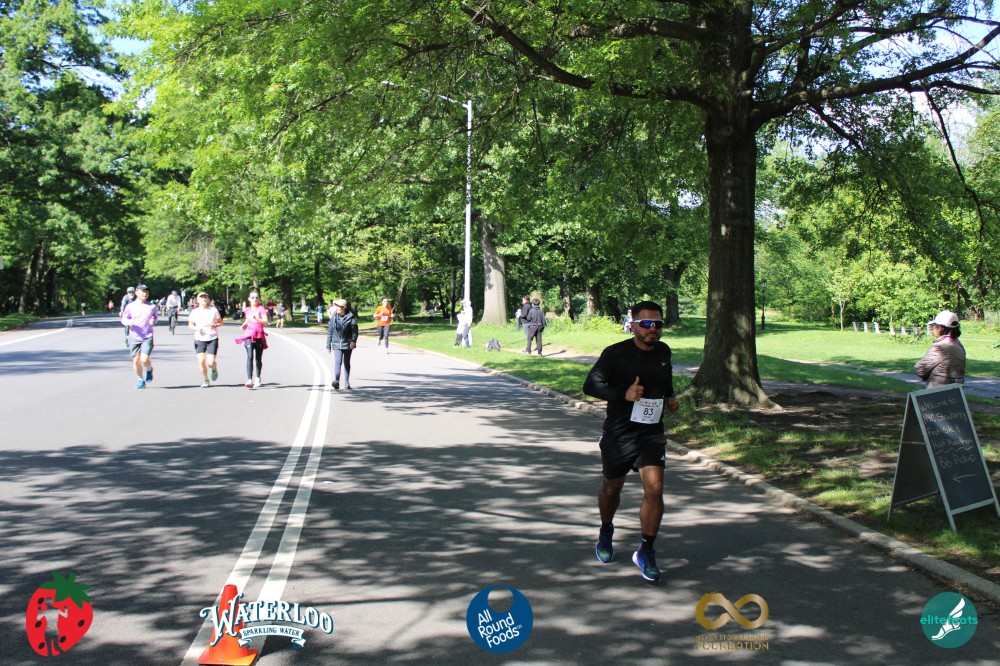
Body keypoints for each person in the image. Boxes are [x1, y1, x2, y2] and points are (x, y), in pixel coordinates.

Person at [582, 300, 680, 582]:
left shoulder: (663, 351)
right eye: (646, 324)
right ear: (633, 325)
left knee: (655, 488)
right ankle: (606, 530)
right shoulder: (616, 354)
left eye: (657, 324)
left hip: (651, 433)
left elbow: (665, 381)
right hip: (619, 432)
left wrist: (670, 398)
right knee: (612, 487)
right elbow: (591, 385)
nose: (653, 329)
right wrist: (622, 394)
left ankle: (646, 550)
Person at [915, 310, 966, 388]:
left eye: (935, 325)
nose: (934, 328)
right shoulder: (959, 345)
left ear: (941, 328)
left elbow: (921, 368)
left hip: (939, 390)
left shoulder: (940, 346)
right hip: (956, 390)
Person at [121, 285, 158, 389]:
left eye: (147, 292)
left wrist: (153, 321)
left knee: (144, 359)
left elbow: (155, 317)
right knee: (136, 360)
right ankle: (140, 379)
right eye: (143, 291)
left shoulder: (152, 306)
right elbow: (124, 318)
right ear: (136, 293)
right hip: (134, 336)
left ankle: (149, 369)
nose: (145, 294)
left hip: (147, 336)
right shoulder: (130, 306)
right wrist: (128, 322)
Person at [188, 291, 223, 388]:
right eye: (201, 297)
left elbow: (220, 322)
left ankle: (214, 369)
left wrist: (214, 324)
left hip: (212, 338)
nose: (204, 299)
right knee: (201, 361)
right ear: (198, 300)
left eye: (205, 297)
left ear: (208, 299)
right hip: (199, 339)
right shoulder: (194, 312)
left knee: (210, 362)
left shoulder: (213, 310)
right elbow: (190, 325)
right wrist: (196, 328)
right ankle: (206, 380)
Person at [236, 291, 268, 389]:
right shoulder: (247, 310)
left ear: (259, 299)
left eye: (257, 297)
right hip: (249, 335)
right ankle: (249, 379)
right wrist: (244, 325)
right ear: (249, 299)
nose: (255, 299)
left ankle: (257, 377)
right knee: (250, 356)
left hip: (259, 335)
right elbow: (248, 319)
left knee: (258, 358)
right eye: (253, 297)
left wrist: (257, 319)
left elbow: (266, 322)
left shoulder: (261, 309)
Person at [326, 298, 358, 390]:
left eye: (338, 306)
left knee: (346, 362)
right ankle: (336, 381)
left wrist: (353, 341)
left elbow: (355, 331)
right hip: (336, 344)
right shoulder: (334, 317)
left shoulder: (351, 317)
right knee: (338, 362)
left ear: (344, 307)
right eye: (336, 306)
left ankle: (347, 382)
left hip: (347, 344)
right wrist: (328, 344)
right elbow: (330, 331)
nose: (337, 308)